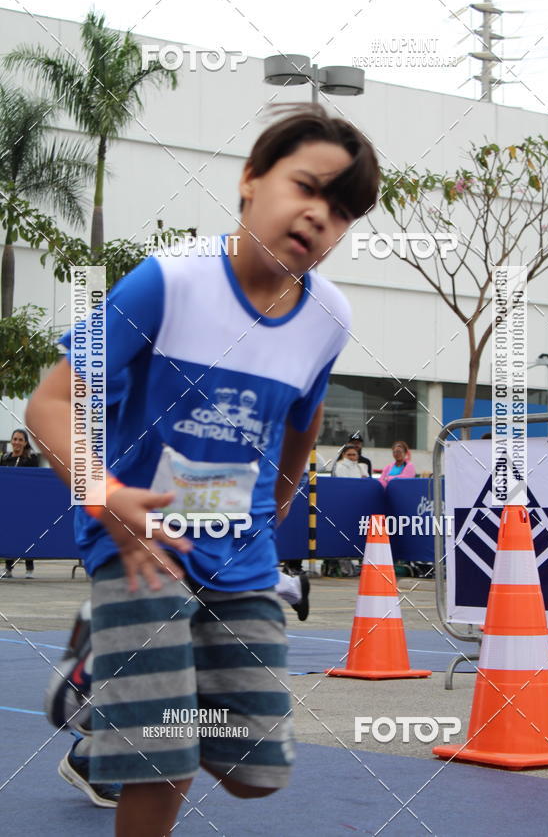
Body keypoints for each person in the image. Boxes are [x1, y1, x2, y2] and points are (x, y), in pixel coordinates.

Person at [26, 102, 380, 836]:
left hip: (240, 555)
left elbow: (301, 426)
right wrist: (106, 497)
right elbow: (50, 404)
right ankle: (132, 708)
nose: (320, 217)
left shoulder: (330, 318)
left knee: (257, 770)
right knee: (164, 759)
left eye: (342, 212)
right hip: (140, 545)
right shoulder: (170, 282)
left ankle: (101, 687)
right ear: (251, 179)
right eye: (308, 187)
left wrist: (275, 512)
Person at [2, 428, 38, 578]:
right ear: (11, 441)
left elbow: (34, 481)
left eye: (20, 440)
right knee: (8, 534)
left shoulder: (31, 459)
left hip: (25, 505)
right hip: (8, 504)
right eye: (14, 439)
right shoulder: (5, 458)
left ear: (25, 443)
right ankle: (8, 568)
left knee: (26, 535)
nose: (16, 442)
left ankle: (29, 568)